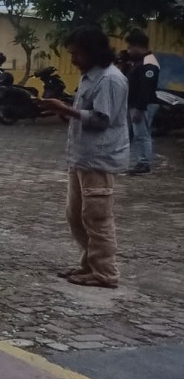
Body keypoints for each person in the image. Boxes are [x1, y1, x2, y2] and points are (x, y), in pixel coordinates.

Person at [40, 25, 128, 289]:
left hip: (100, 158)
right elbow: (84, 111)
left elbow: (102, 119)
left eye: (77, 54)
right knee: (76, 215)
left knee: (97, 216)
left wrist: (66, 109)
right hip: (81, 156)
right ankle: (90, 264)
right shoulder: (90, 75)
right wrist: (63, 111)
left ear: (93, 52)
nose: (73, 59)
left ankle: (105, 272)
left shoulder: (110, 79)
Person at [124, 30, 160, 175]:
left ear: (138, 46)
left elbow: (146, 88)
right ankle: (129, 161)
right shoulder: (139, 61)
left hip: (143, 105)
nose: (129, 50)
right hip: (134, 104)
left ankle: (144, 164)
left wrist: (139, 109)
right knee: (131, 134)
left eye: (130, 47)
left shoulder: (149, 62)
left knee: (142, 134)